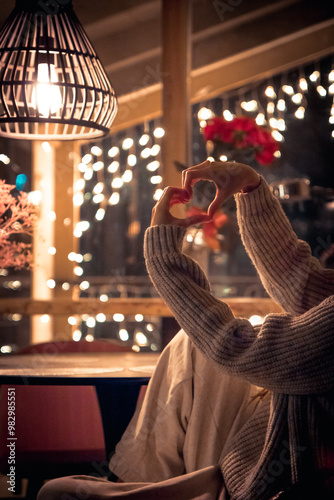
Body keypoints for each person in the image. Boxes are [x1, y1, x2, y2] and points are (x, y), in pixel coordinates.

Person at [38, 160, 334, 499]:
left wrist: (164, 257)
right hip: (256, 459)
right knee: (191, 344)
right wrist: (250, 189)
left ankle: (138, 487)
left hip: (284, 477)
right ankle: (138, 485)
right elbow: (307, 288)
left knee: (54, 492)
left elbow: (244, 349)